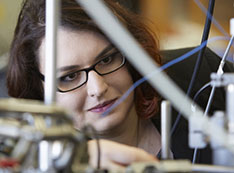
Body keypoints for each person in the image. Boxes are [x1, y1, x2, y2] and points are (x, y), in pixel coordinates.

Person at [6, 0, 234, 171]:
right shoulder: (36, 162)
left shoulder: (205, 75)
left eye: (107, 60)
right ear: (38, 89)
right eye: (69, 77)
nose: (98, 88)